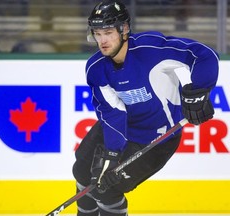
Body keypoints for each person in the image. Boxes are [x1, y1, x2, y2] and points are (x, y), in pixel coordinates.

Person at [72, 0, 219, 215]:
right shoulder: (96, 68)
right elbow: (112, 113)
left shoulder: (152, 50)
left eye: (108, 32)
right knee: (83, 174)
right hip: (121, 128)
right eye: (97, 33)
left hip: (158, 139)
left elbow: (203, 55)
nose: (102, 40)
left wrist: (199, 90)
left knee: (106, 191)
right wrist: (113, 152)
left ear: (124, 30)